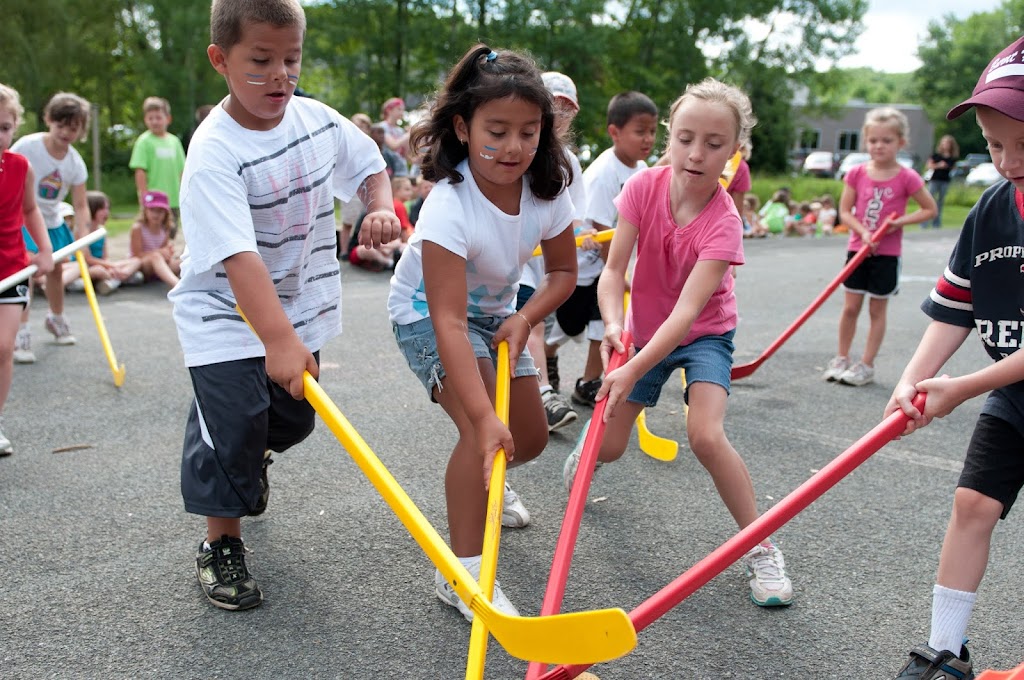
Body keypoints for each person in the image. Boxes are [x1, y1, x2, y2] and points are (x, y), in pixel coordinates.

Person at [168, 0, 400, 611]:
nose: (280, 77)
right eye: (260, 62)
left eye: (291, 60)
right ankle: (221, 543)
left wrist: (379, 204)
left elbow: (370, 163)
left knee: (294, 418)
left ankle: (246, 451)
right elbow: (239, 259)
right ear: (221, 59)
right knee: (234, 424)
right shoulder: (214, 151)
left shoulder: (316, 120)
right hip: (224, 310)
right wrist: (275, 341)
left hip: (293, 303)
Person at [563, 77, 794, 608]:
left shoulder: (725, 223)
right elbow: (613, 268)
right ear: (670, 136)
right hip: (643, 330)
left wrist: (628, 365)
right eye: (686, 137)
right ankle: (590, 451)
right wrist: (612, 323)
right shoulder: (643, 188)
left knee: (706, 436)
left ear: (735, 152)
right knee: (612, 446)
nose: (697, 153)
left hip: (702, 336)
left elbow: (689, 313)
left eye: (714, 144)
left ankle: (761, 548)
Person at [387, 44, 577, 621]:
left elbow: (564, 272)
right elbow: (446, 318)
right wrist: (482, 416)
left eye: (529, 131)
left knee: (531, 436)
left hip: (499, 314)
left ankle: (485, 480)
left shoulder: (548, 188)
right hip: (428, 315)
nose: (514, 147)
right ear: (464, 128)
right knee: (481, 431)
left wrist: (525, 316)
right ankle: (462, 575)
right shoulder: (448, 205)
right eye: (497, 130)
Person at [885, 35, 1024, 680]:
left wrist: (961, 387)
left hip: (995, 380)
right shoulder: (992, 209)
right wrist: (913, 380)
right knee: (972, 504)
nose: (1008, 160)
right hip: (1013, 393)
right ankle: (946, 650)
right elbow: (953, 310)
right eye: (996, 144)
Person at [547, 90, 657, 409]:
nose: (648, 138)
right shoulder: (603, 173)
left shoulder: (641, 168)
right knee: (571, 325)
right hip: (583, 265)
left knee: (604, 322)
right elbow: (600, 229)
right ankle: (549, 353)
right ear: (615, 132)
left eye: (652, 131)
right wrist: (618, 271)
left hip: (606, 269)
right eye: (640, 131)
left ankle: (588, 381)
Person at [822, 107, 937, 386]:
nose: (879, 146)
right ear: (866, 141)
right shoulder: (857, 173)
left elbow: (929, 209)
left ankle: (866, 364)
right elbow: (845, 211)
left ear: (901, 142)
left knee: (876, 310)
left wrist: (898, 224)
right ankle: (841, 357)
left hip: (886, 254)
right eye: (873, 140)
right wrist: (862, 231)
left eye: (887, 140)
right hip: (857, 250)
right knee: (850, 308)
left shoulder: (906, 176)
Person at [11, 91, 92, 362]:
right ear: (48, 119)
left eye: (73, 128)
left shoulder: (74, 163)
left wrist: (83, 230)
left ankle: (56, 318)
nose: (65, 132)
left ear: (81, 130)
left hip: (53, 222)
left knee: (56, 271)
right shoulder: (27, 146)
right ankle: (20, 332)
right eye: (60, 125)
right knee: (25, 272)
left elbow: (80, 204)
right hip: (23, 220)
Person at [528, 70, 586, 432]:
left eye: (567, 110)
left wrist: (585, 236)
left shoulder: (569, 163)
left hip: (543, 264)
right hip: (511, 258)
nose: (559, 116)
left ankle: (535, 390)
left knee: (534, 325)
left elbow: (573, 219)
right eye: (552, 107)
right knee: (526, 323)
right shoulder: (521, 151)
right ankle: (543, 395)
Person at [0, 83, 54, 455]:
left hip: (11, 269)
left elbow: (30, 210)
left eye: (4, 126)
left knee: (3, 347)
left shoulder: (21, 167)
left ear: (15, 126)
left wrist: (45, 251)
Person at [63, 191, 141, 295]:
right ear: (92, 209)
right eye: (103, 209)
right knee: (99, 271)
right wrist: (111, 266)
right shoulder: (80, 232)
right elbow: (88, 259)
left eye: (108, 208)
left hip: (101, 265)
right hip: (85, 267)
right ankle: (115, 280)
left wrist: (111, 266)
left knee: (136, 261)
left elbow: (105, 257)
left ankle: (115, 278)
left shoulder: (101, 231)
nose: (107, 212)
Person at [128, 97, 187, 223]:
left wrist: (185, 192)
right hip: (154, 200)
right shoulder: (144, 142)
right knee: (154, 236)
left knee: (170, 234)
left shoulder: (174, 142)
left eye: (158, 118)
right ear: (145, 120)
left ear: (168, 119)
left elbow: (182, 170)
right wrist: (143, 196)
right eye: (150, 118)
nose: (154, 122)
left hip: (173, 199)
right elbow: (140, 171)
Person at [337, 112, 375, 256]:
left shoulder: (370, 145)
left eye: (364, 126)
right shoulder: (345, 142)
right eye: (358, 125)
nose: (361, 128)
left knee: (364, 220)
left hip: (364, 187)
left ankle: (361, 248)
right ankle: (345, 250)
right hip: (349, 186)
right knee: (347, 220)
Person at [129, 190, 181, 288]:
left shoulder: (165, 229)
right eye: (152, 210)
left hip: (159, 265)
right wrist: (159, 252)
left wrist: (167, 253)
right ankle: (177, 285)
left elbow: (164, 250)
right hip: (142, 266)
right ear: (145, 211)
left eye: (160, 211)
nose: (156, 214)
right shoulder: (138, 228)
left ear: (166, 213)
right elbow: (136, 255)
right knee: (155, 257)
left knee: (182, 260)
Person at [926, 134, 960, 229]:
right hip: (935, 179)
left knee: (940, 201)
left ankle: (936, 223)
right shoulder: (936, 156)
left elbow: (953, 168)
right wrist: (939, 165)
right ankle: (924, 222)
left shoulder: (952, 158)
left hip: (945, 180)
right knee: (930, 199)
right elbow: (929, 166)